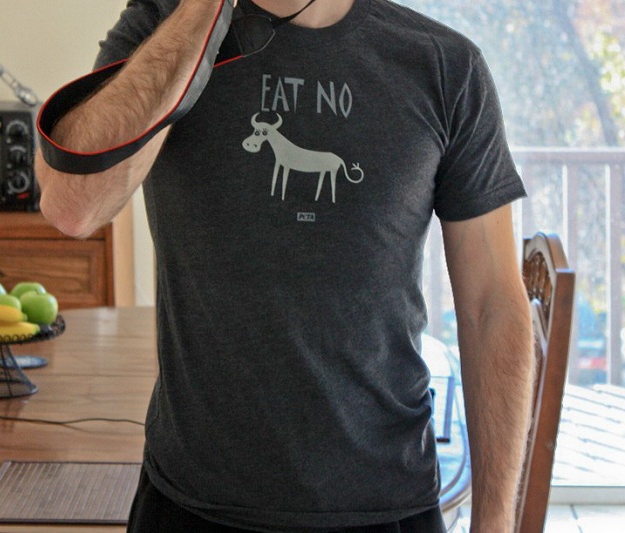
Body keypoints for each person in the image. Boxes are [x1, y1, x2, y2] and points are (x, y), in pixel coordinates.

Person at [35, 1, 536, 531]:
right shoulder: (163, 24)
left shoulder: (444, 64)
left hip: (386, 500)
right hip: (191, 502)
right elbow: (72, 205)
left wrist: (495, 522)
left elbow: (492, 305)